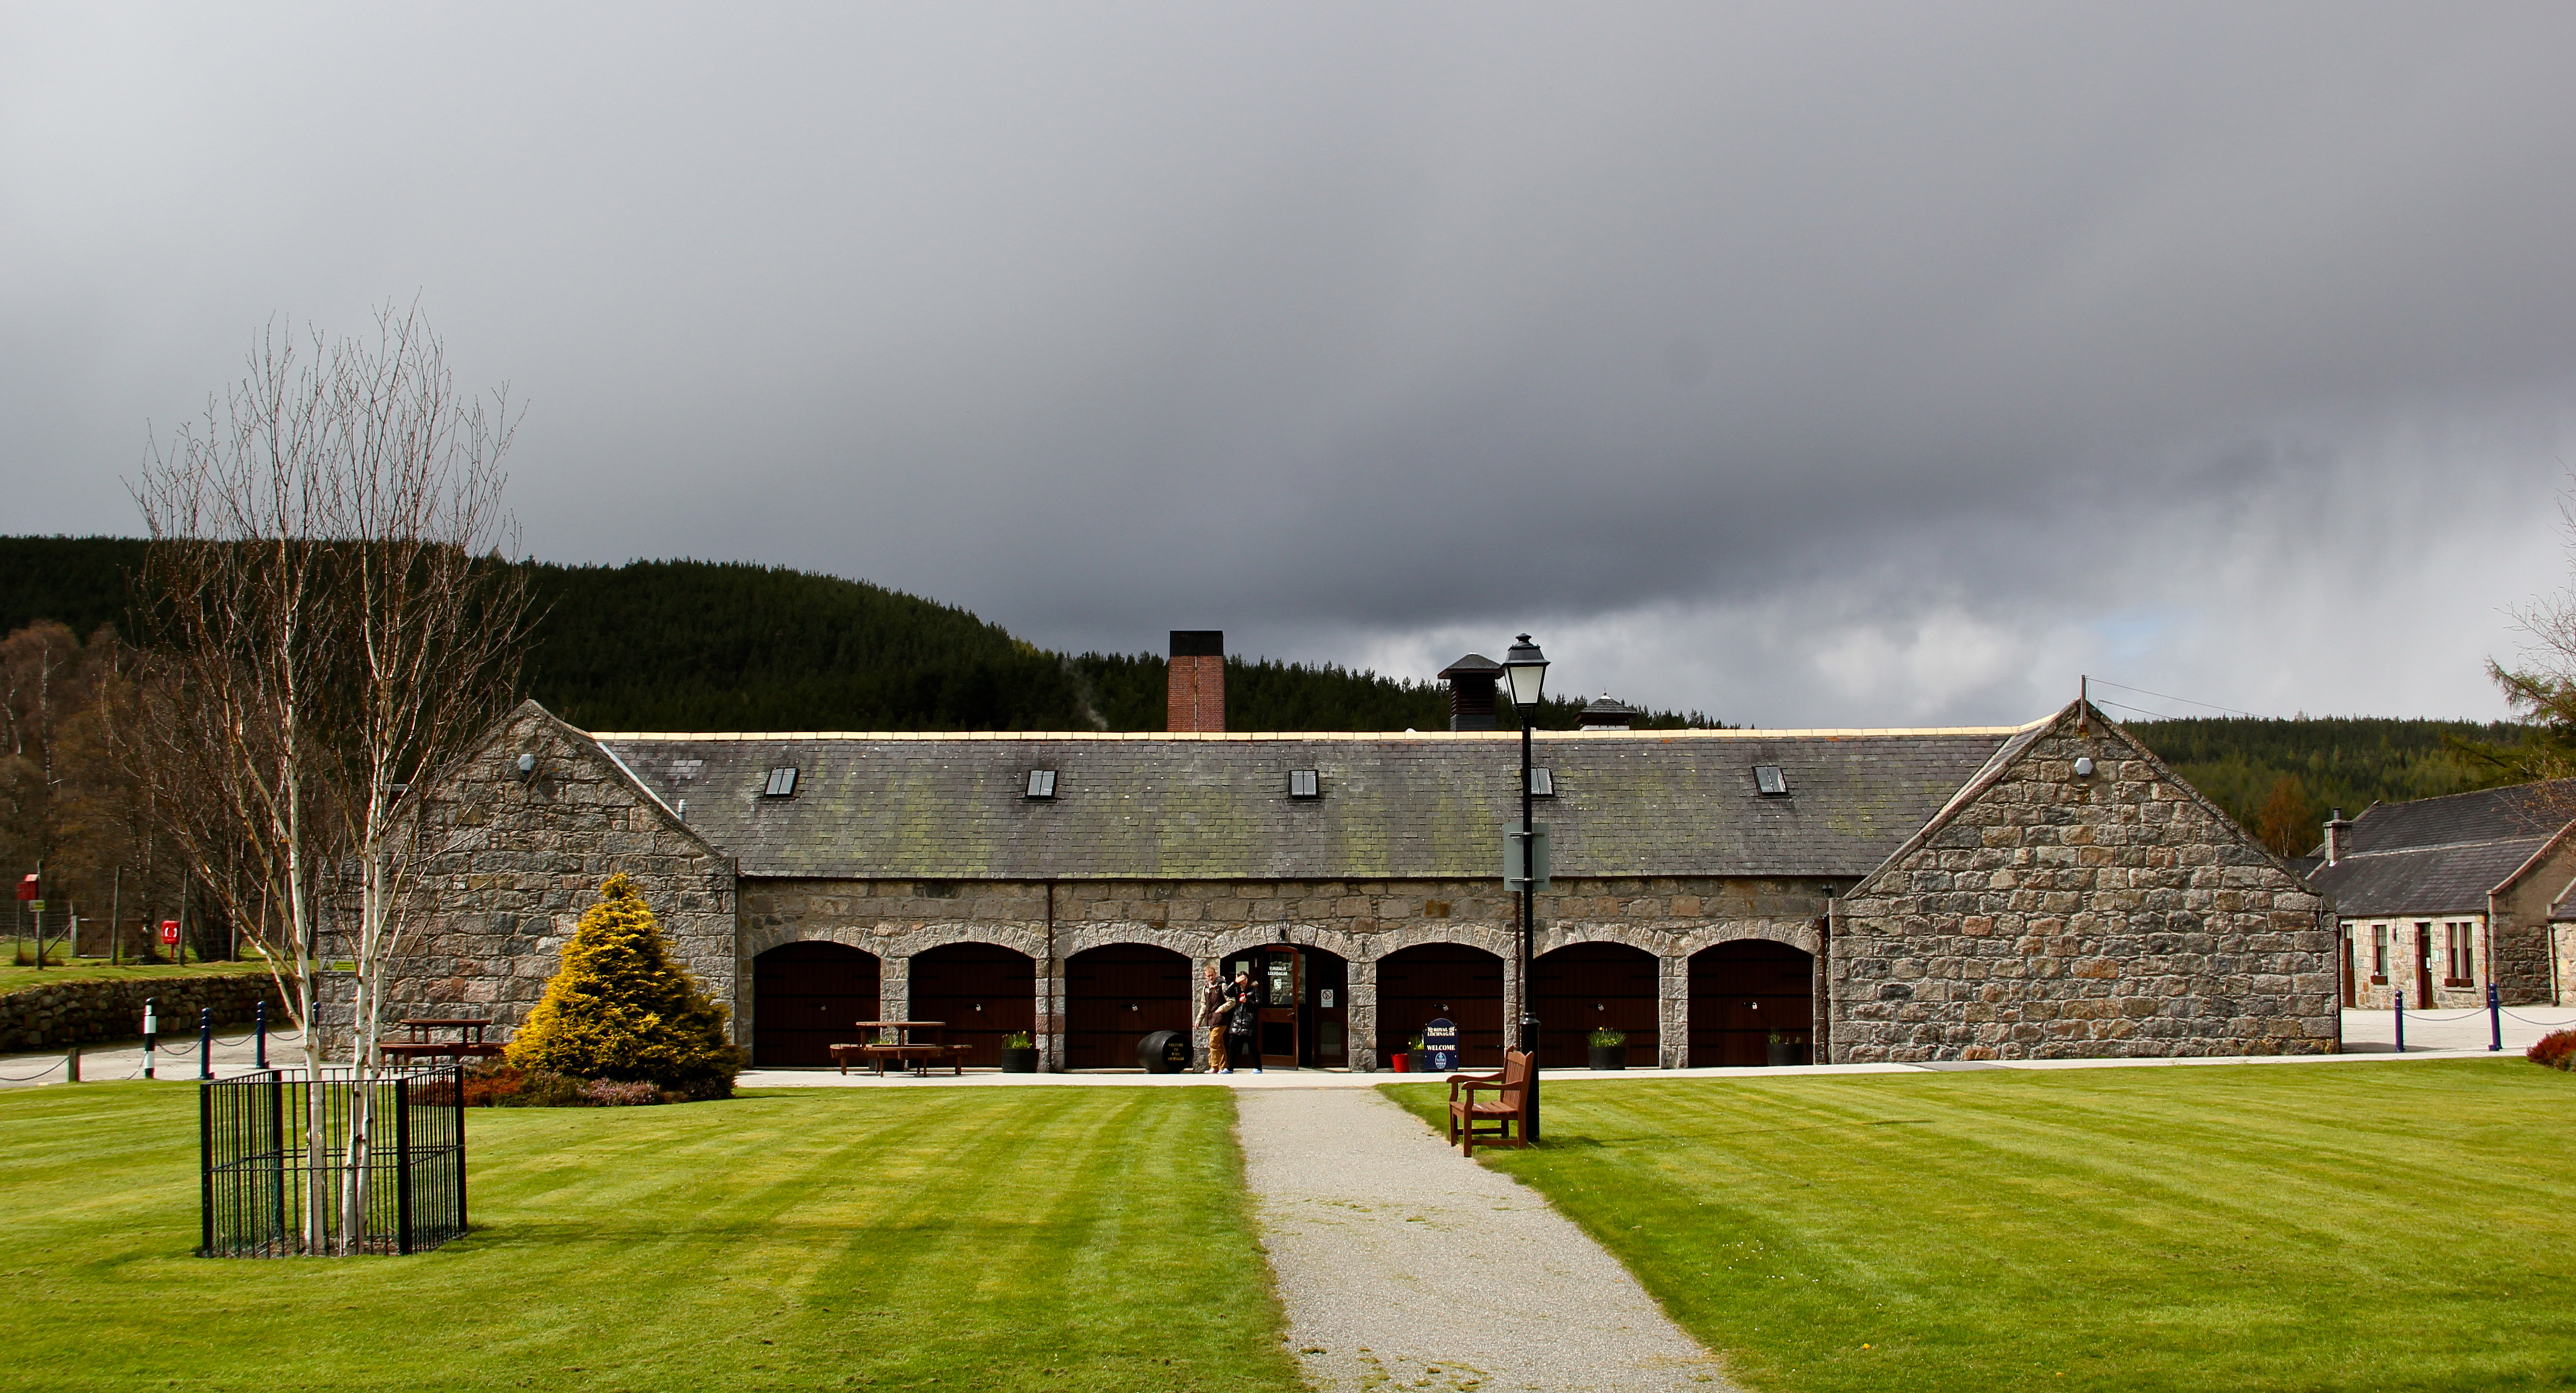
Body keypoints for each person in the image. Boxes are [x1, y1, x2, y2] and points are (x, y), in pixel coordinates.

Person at [1226, 969, 1263, 1074]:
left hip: (1249, 1020)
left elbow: (1259, 1004)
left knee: (1252, 1045)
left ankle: (1258, 1067)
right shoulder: (1236, 989)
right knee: (1232, 1045)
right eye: (1241, 979)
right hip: (1237, 1020)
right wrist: (1235, 983)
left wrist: (1248, 1002)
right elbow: (1227, 992)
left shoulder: (1254, 990)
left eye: (1245, 979)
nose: (1243, 981)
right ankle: (1230, 1068)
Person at [1197, 963, 1231, 1073]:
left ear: (1216, 974)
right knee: (1219, 1044)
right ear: (1205, 977)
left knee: (1213, 1042)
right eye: (1208, 976)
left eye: (1212, 975)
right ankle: (1223, 1067)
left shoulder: (1222, 985)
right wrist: (1199, 1020)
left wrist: (1222, 1009)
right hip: (1211, 1019)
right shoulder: (1206, 988)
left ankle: (1214, 1066)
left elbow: (1231, 1001)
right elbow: (1204, 1005)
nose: (1211, 978)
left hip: (1221, 1019)